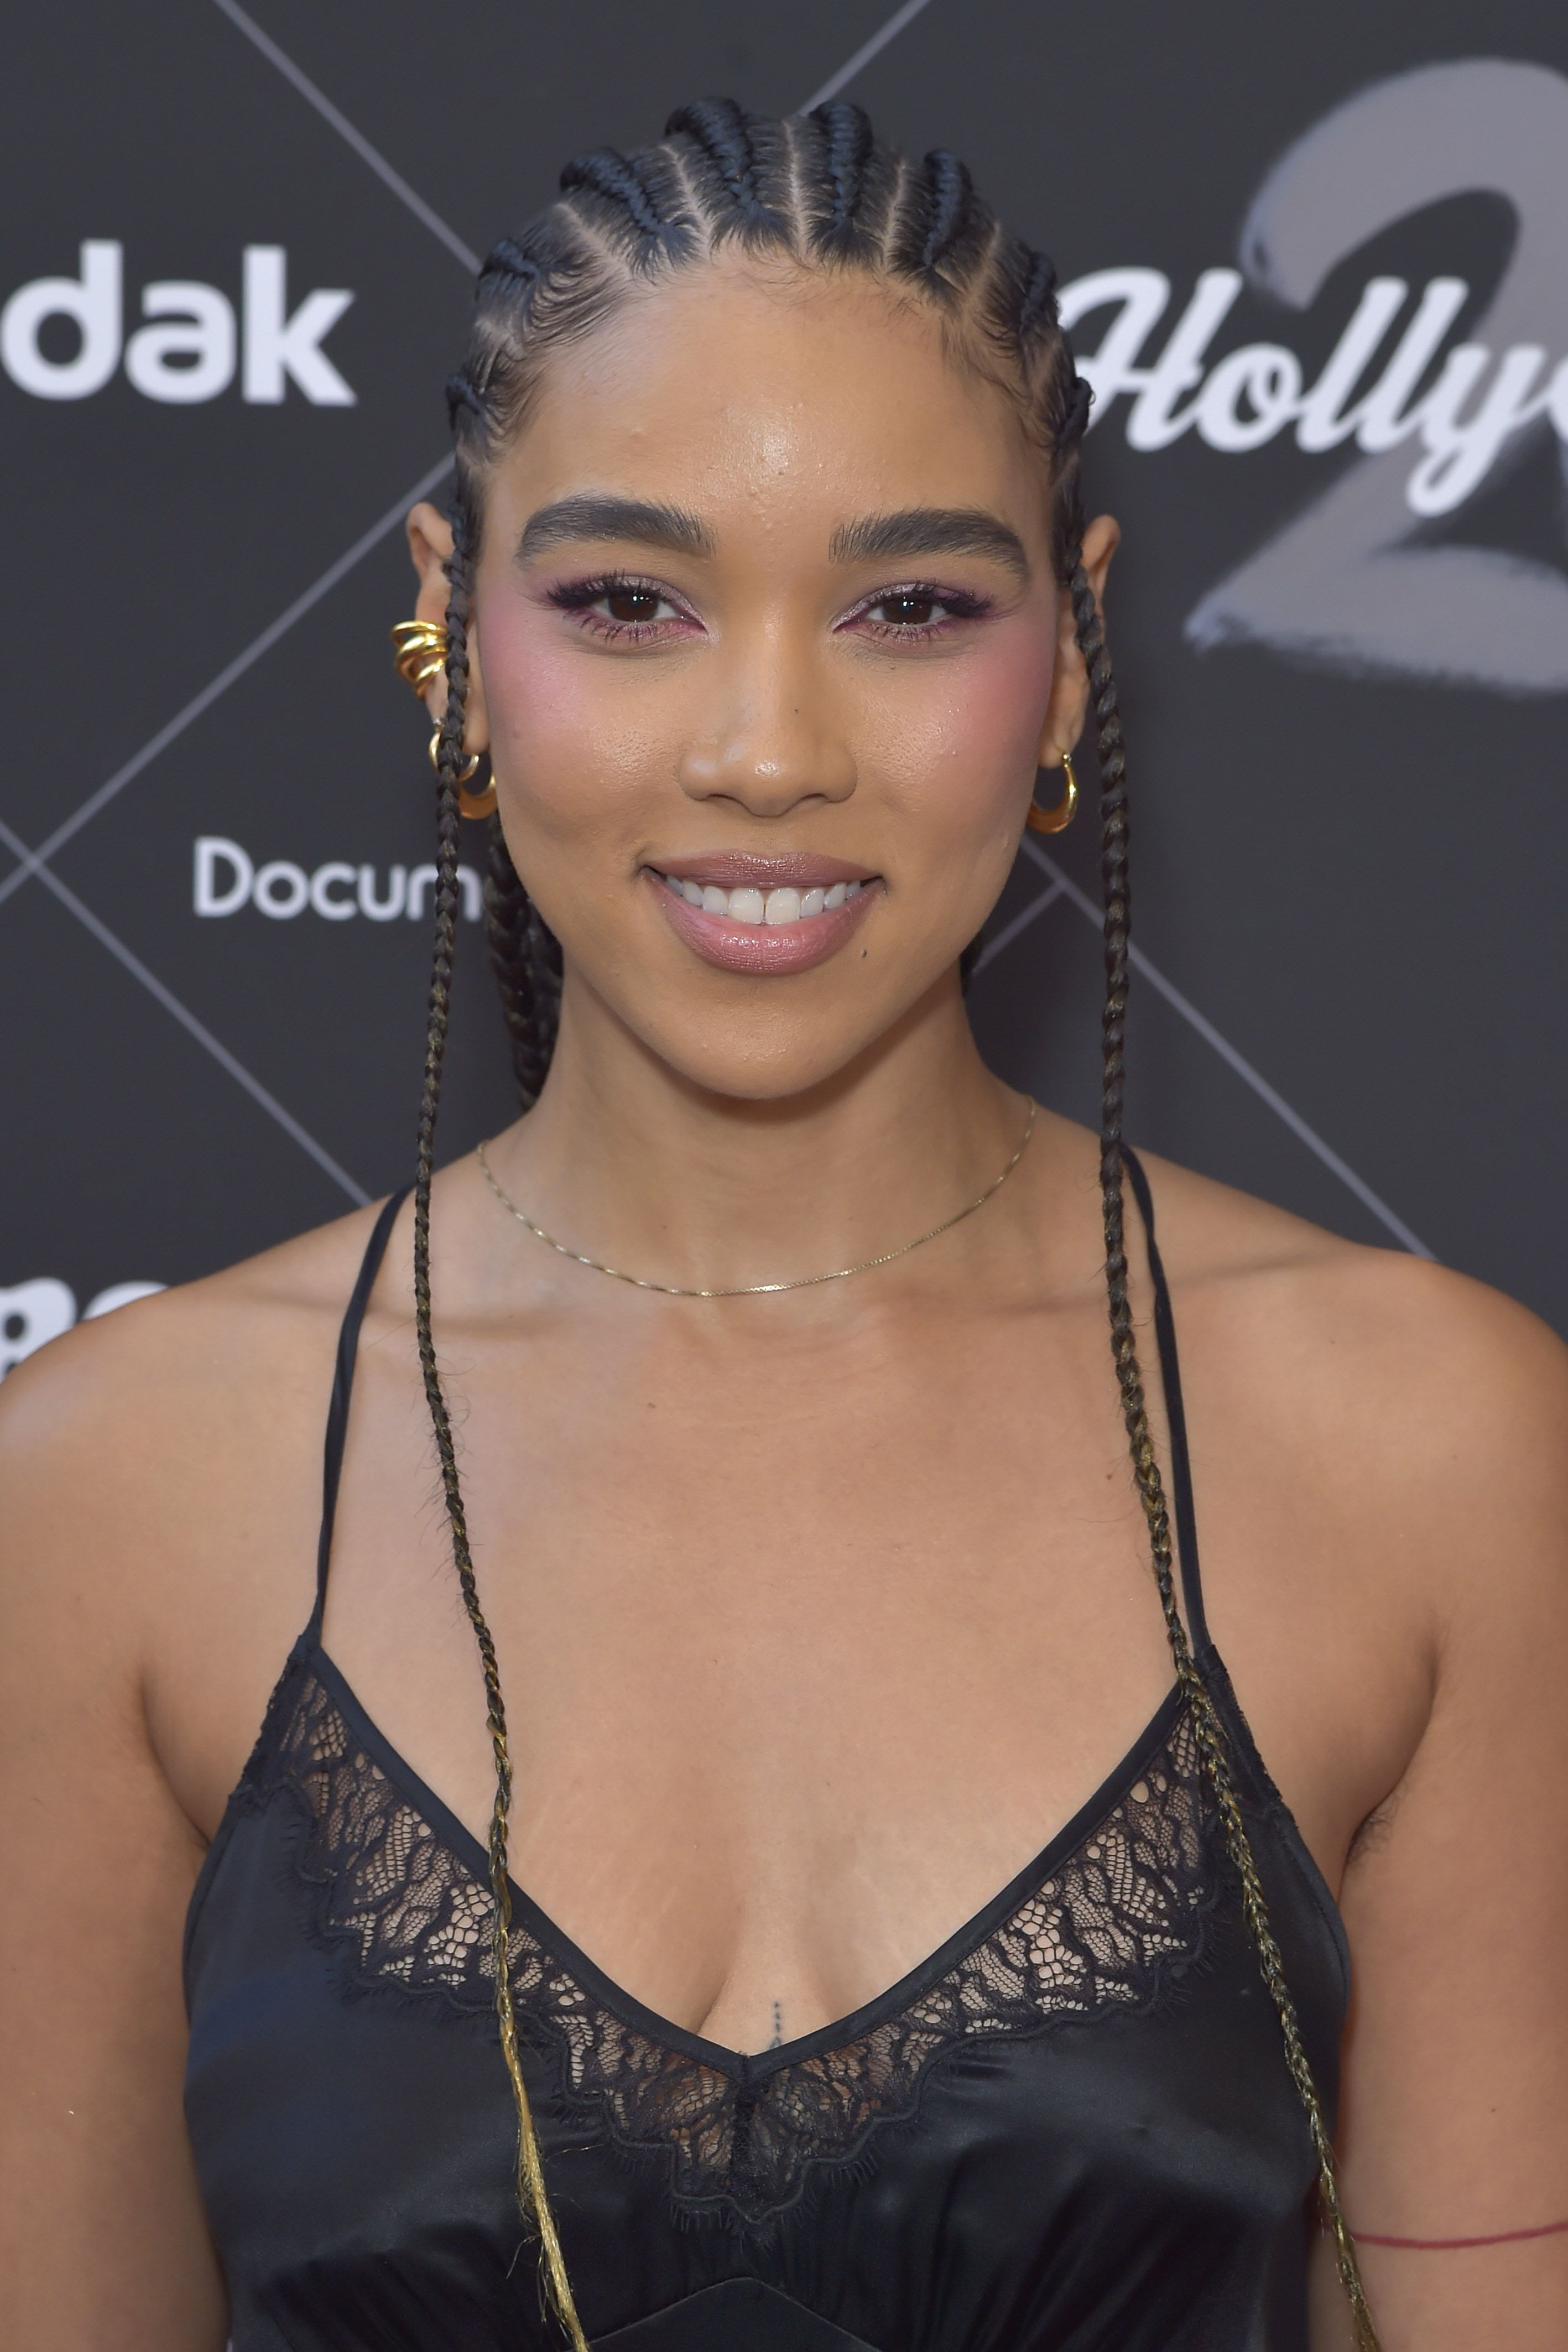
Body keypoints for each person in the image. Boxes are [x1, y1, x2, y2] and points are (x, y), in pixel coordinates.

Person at [1, 94, 1565, 2352]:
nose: (765, 747)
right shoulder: (105, 1491)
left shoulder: (1432, 1449)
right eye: (627, 601)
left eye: (908, 606)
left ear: (1071, 648)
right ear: (449, 626)